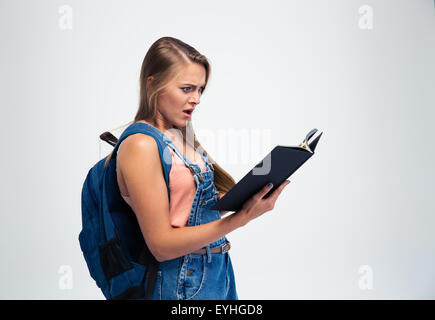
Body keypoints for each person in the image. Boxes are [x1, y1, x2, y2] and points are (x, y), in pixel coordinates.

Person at [107, 36, 290, 300]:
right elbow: (160, 245)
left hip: (217, 272)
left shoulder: (181, 137)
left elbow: (190, 212)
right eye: (187, 88)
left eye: (200, 89)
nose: (197, 99)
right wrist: (241, 219)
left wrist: (247, 197)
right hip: (180, 283)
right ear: (153, 84)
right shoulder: (141, 145)